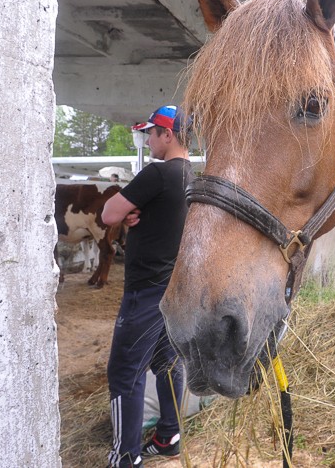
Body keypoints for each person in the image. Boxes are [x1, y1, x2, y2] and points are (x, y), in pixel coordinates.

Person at [101, 105, 194, 468]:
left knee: (125, 371)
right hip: (171, 288)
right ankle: (169, 435)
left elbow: (108, 212)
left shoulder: (158, 173)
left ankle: (125, 456)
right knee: (166, 362)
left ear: (167, 134)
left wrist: (124, 214)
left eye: (151, 133)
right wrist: (133, 216)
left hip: (144, 291)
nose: (148, 140)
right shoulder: (190, 175)